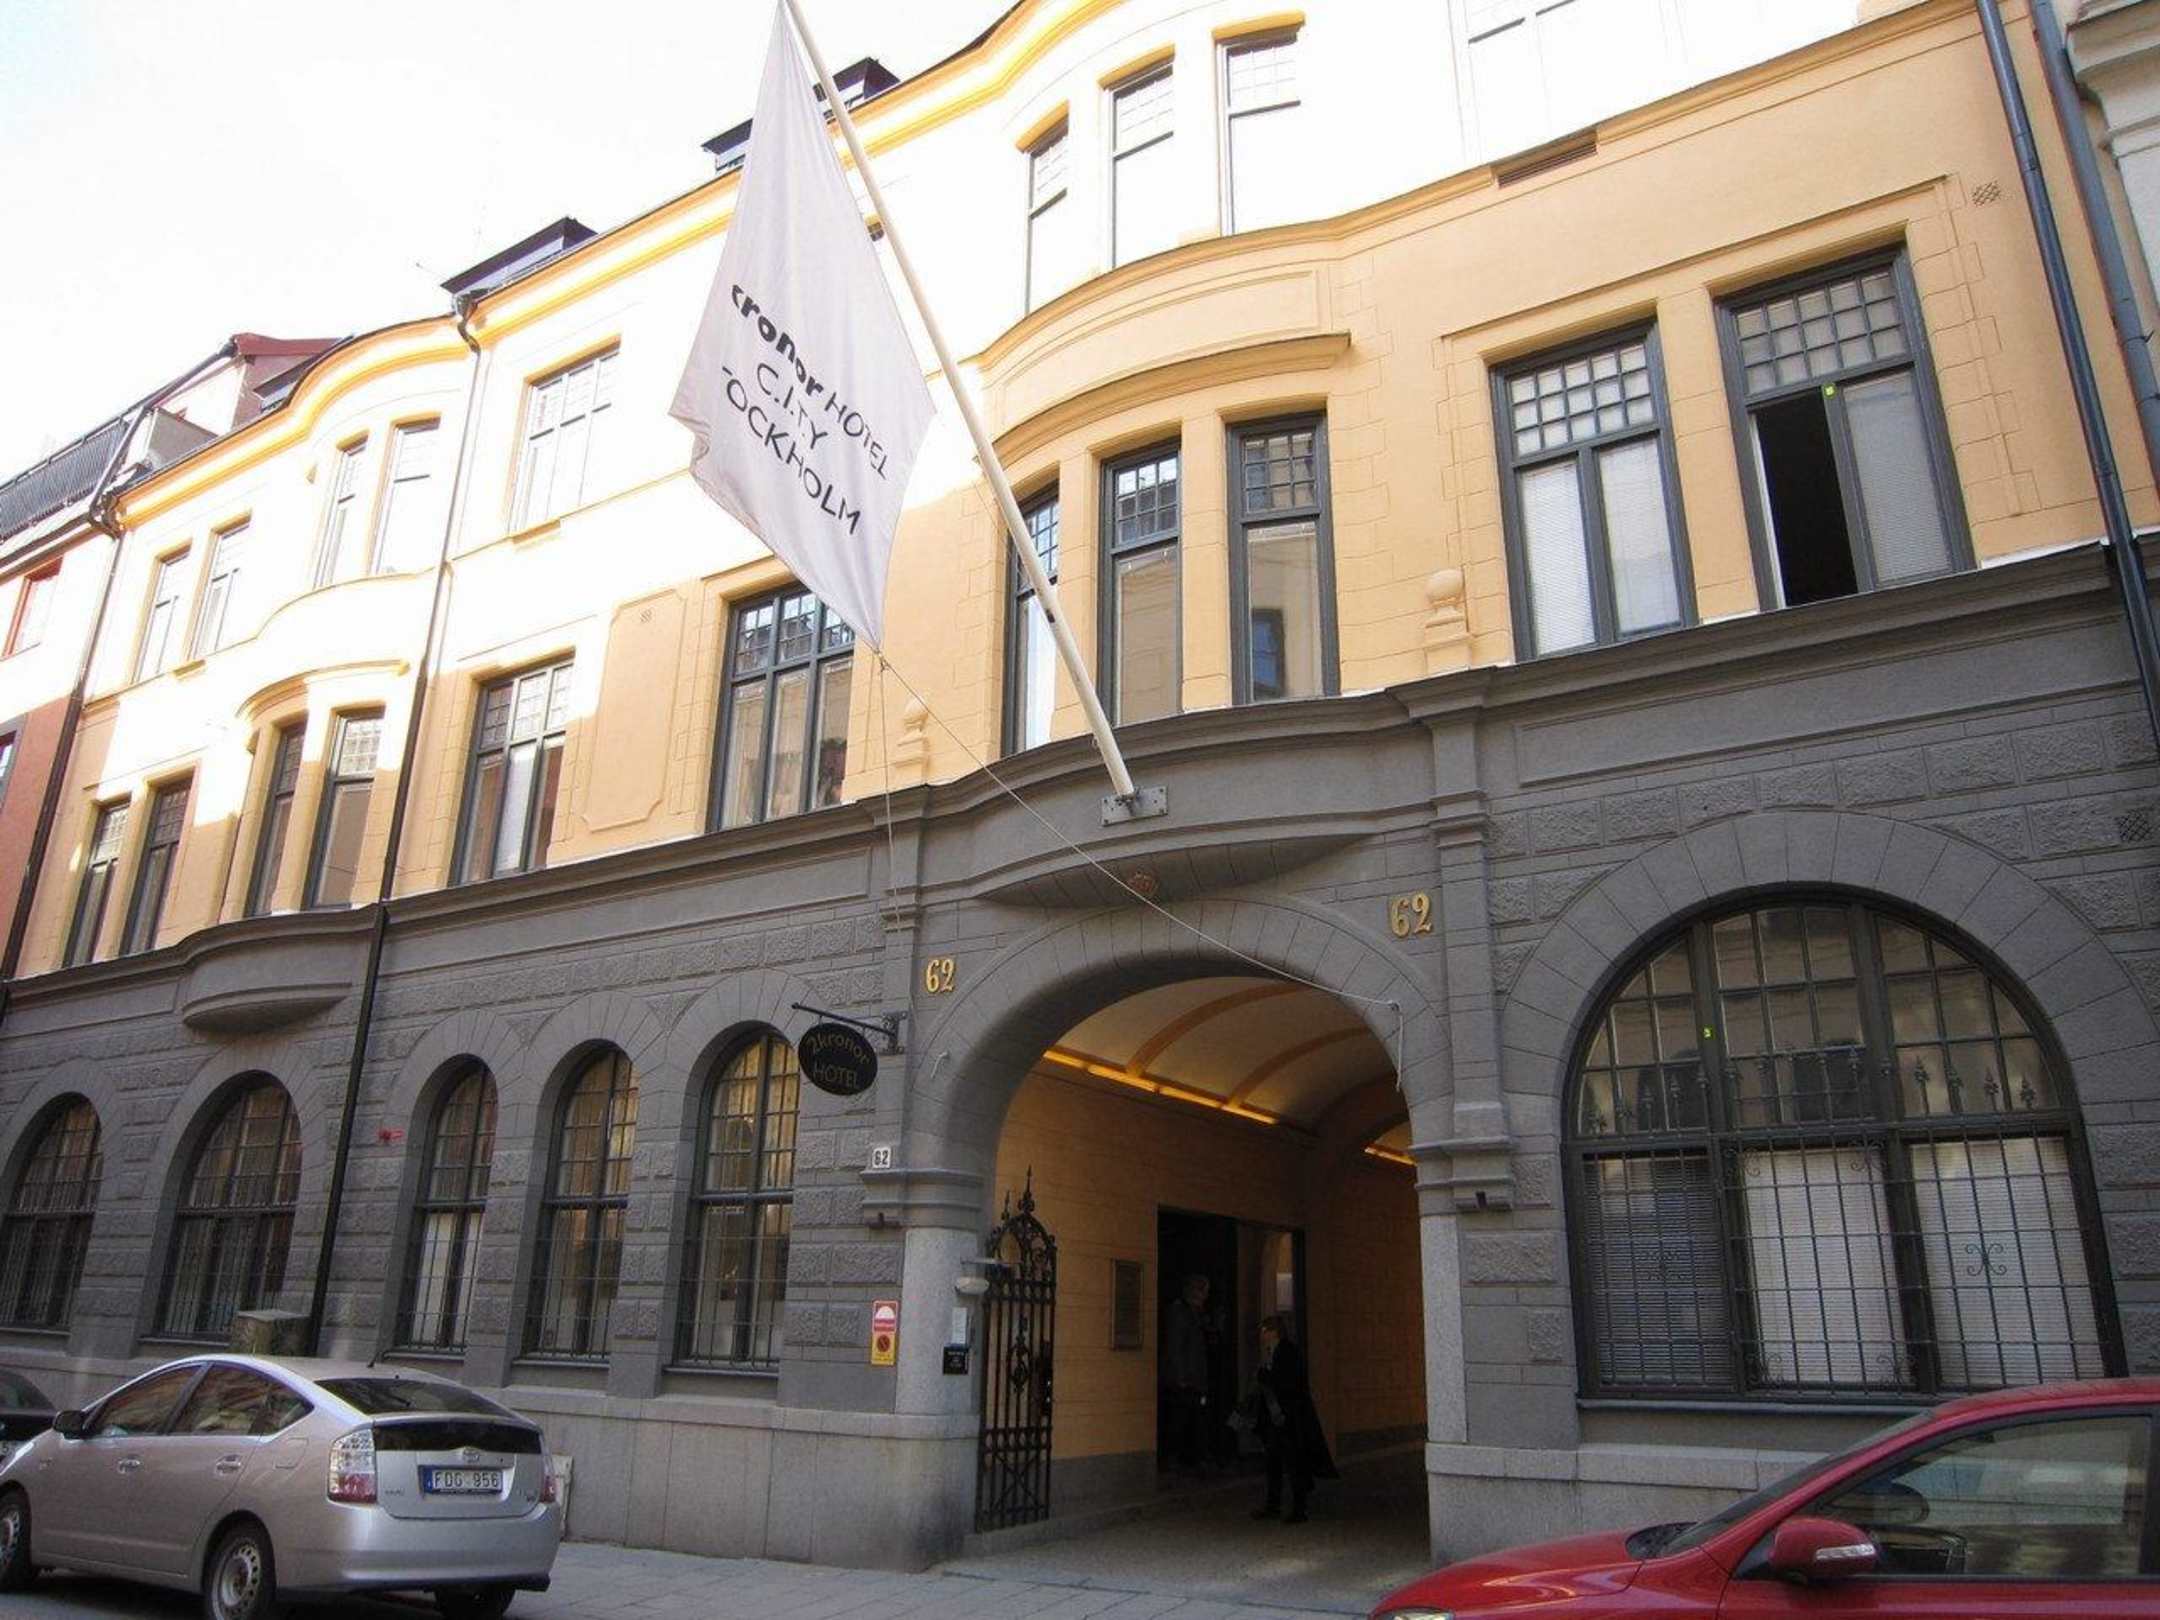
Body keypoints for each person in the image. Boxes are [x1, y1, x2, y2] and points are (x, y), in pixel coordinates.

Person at [1248, 1313, 1337, 1524]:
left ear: (1273, 1332)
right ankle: (1274, 1505)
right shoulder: (1273, 1352)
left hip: (1289, 1416)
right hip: (1276, 1416)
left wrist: (1263, 1376)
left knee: (1293, 1462)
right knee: (1274, 1461)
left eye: (1264, 1331)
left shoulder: (1287, 1352)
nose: (1261, 1335)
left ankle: (1299, 1509)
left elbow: (1286, 1382)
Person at [1162, 1274, 1211, 1473]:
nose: (1205, 1296)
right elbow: (1176, 1346)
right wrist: (1180, 1375)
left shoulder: (1195, 1313)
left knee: (1195, 1418)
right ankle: (1175, 1457)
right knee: (1180, 1419)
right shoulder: (1180, 1311)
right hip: (1184, 1379)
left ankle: (1192, 1457)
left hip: (1195, 1377)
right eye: (1203, 1291)